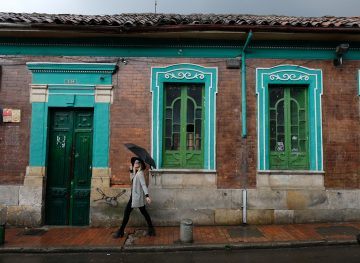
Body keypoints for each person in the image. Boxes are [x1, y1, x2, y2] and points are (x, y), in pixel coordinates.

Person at [113, 157, 155, 238]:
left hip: (136, 197)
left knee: (127, 213)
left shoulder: (140, 173)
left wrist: (147, 196)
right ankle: (151, 229)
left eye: (137, 162)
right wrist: (132, 171)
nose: (135, 163)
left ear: (140, 164)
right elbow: (131, 180)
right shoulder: (136, 173)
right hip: (134, 196)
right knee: (144, 213)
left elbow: (143, 185)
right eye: (134, 162)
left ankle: (121, 231)